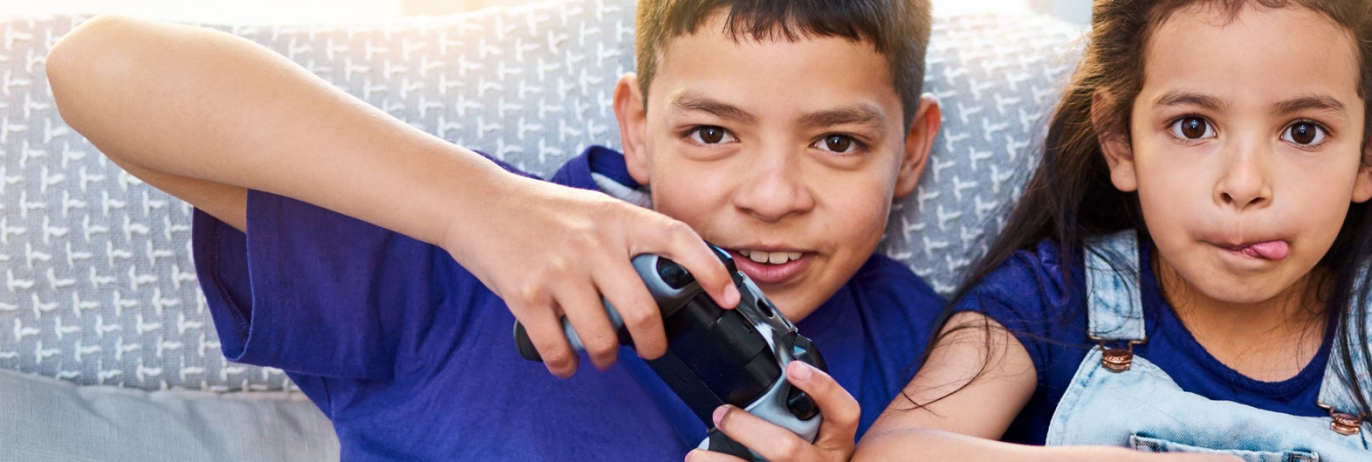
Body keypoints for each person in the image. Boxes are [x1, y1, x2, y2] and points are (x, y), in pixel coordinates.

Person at [46, 0, 941, 460]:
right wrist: (475, 207)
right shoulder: (465, 257)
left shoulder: (918, 345)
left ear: (912, 154)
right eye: (710, 133)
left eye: (837, 141)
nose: (773, 193)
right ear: (636, 128)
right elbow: (97, 69)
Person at [855, 0, 1372, 460]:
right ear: (1119, 142)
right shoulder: (1048, 300)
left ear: (1370, 155)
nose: (1243, 182)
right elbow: (894, 452)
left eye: (1303, 132)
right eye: (1194, 126)